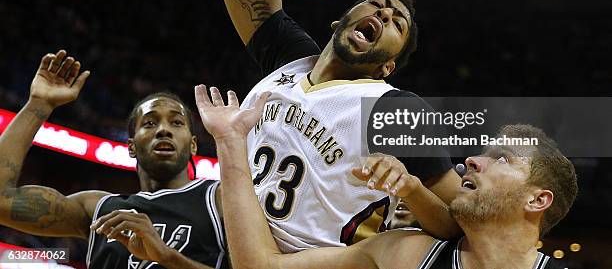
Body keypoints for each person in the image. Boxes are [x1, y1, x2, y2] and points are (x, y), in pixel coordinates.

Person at [206, 0, 461, 251]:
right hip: (224, 239)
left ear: (387, 67)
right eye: (376, 6)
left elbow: (455, 223)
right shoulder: (288, 57)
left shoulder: (395, 108)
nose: (385, 14)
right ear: (337, 23)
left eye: (397, 23)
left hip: (302, 258)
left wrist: (411, 188)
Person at [195, 86, 578, 269]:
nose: (474, 160)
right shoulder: (404, 255)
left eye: (502, 159)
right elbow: (259, 266)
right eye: (482, 152)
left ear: (537, 200)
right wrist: (230, 142)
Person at [0, 50, 225, 269]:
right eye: (149, 123)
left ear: (193, 144)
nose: (163, 130)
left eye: (176, 123)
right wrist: (38, 104)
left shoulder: (219, 199)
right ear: (132, 146)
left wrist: (166, 256)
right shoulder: (99, 209)